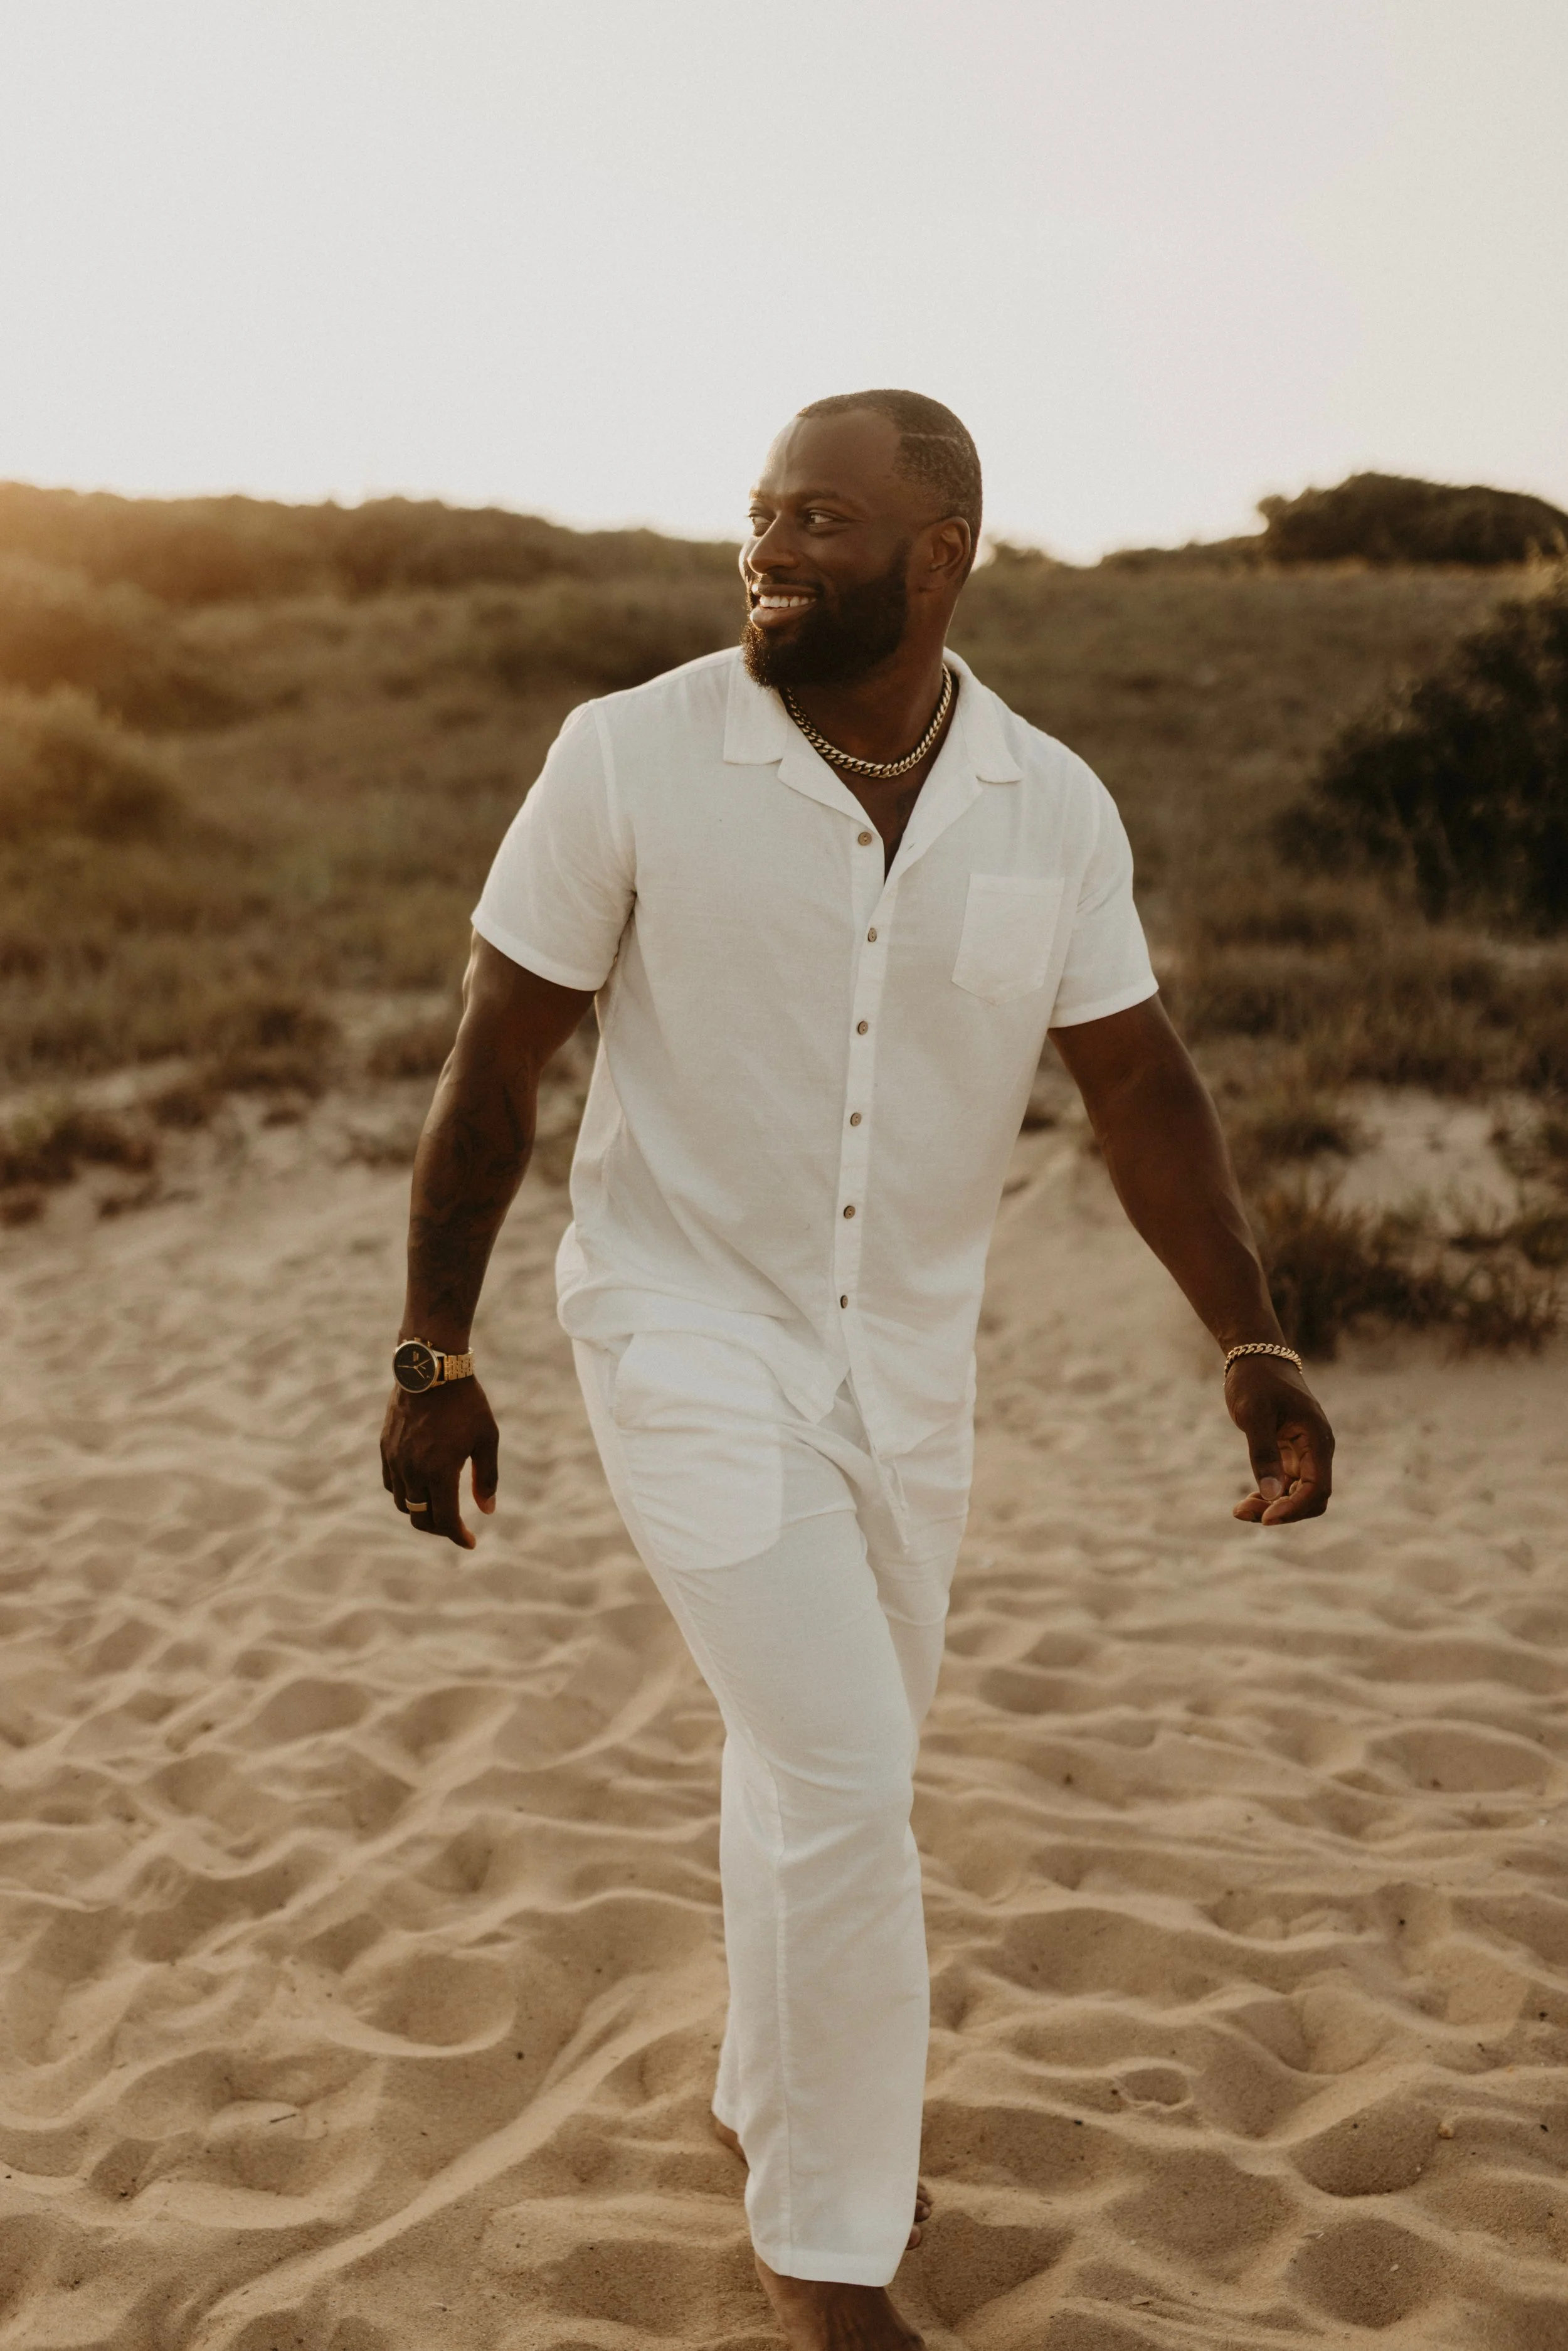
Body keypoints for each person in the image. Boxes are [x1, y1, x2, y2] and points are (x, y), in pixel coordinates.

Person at [379, 390, 1335, 2351]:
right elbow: (498, 1057)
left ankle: (768, 2099)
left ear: (935, 556)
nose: (768, 550)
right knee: (841, 1768)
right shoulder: (630, 754)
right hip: (679, 1331)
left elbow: (1138, 1084)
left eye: (818, 520)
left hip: (907, 1368)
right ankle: (826, 2257)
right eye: (757, 514)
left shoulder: (1047, 806)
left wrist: (1245, 1332)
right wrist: (434, 1344)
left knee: (809, 1756)